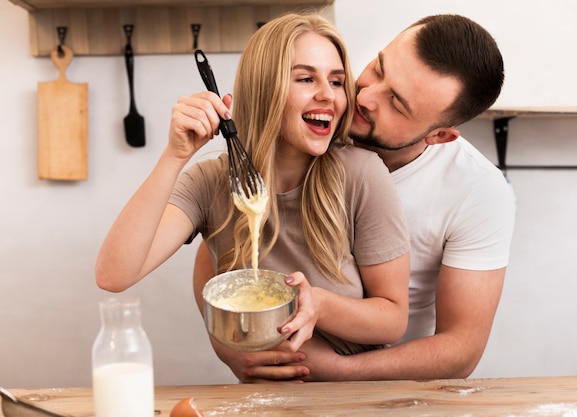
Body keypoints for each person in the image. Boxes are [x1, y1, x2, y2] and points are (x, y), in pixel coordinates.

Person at [193, 13, 516, 382]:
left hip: (393, 388)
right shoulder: (316, 123)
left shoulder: (479, 192)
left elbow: (461, 350)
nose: (363, 96)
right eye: (378, 68)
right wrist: (229, 344)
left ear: (438, 136)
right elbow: (219, 247)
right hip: (278, 379)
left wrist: (339, 370)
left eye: (396, 102)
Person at [96, 13, 410, 357]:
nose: (328, 95)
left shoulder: (361, 174)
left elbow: (392, 319)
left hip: (350, 400)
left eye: (336, 82)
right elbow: (114, 275)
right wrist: (175, 155)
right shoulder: (210, 183)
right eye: (306, 78)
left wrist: (318, 304)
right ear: (264, 87)